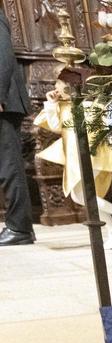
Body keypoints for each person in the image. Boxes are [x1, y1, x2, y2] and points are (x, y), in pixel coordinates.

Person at [33, 72, 112, 247]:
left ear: (69, 86)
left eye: (58, 84)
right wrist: (51, 104)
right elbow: (56, 127)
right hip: (76, 156)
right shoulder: (65, 105)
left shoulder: (86, 104)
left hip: (92, 154)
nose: (55, 88)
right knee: (83, 195)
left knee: (82, 195)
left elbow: (98, 128)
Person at [0, 7, 33, 246]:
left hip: (5, 103)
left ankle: (19, 228)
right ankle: (18, 226)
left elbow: (3, 56)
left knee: (9, 166)